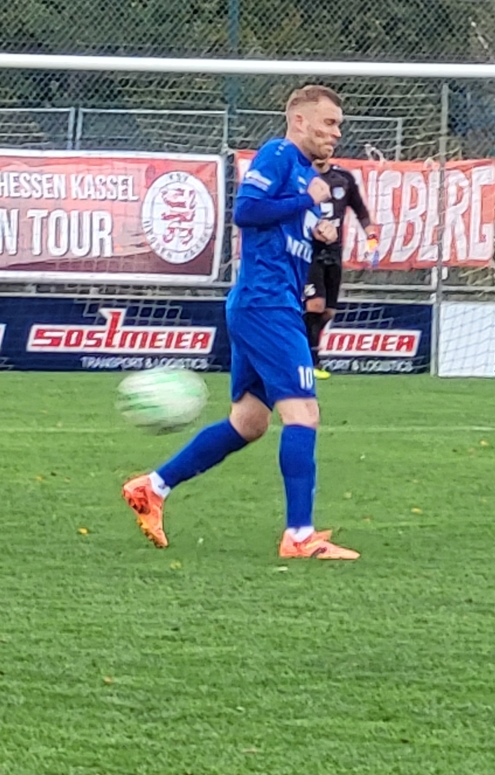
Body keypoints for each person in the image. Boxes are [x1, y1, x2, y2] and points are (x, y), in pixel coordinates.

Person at [123, 84, 359, 560]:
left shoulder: (301, 172)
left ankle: (153, 487)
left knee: (249, 423)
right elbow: (246, 212)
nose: (336, 133)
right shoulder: (279, 155)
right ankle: (299, 536)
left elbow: (277, 227)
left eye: (339, 125)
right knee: (304, 414)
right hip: (266, 304)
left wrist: (315, 230)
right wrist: (304, 203)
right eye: (329, 122)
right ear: (299, 121)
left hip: (266, 304)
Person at [303, 155, 379, 379]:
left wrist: (371, 238)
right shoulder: (302, 177)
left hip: (334, 252)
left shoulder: (343, 179)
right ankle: (310, 361)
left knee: (328, 311)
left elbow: (361, 211)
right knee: (315, 305)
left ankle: (298, 342)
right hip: (308, 250)